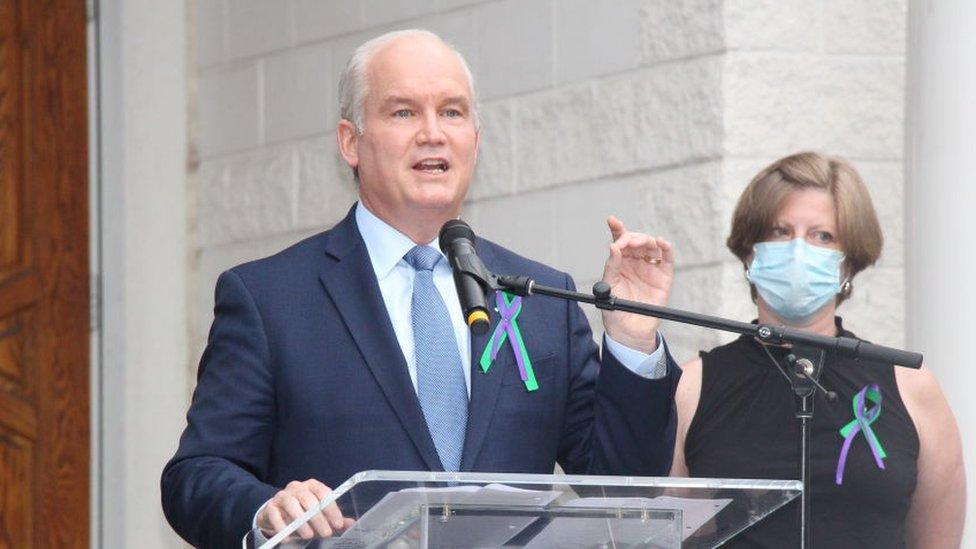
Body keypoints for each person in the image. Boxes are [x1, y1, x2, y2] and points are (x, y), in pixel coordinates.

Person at [162, 29, 681, 548]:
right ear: (351, 142)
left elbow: (621, 487)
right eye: (404, 112)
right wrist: (266, 509)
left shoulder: (541, 296)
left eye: (452, 113)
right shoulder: (270, 298)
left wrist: (631, 342)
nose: (433, 133)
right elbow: (197, 474)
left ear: (475, 141)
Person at [670, 152, 965, 547]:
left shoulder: (911, 387)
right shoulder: (691, 387)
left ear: (848, 264)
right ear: (749, 253)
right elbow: (666, 532)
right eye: (779, 231)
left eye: (822, 236)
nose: (798, 251)